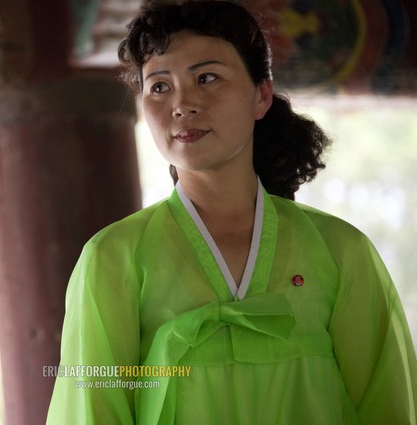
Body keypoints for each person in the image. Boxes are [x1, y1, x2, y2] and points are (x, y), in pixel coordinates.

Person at [46, 1, 417, 424]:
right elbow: (90, 413)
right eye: (160, 87)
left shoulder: (341, 251)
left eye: (207, 77)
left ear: (261, 96)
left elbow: (388, 408)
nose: (183, 104)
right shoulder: (112, 258)